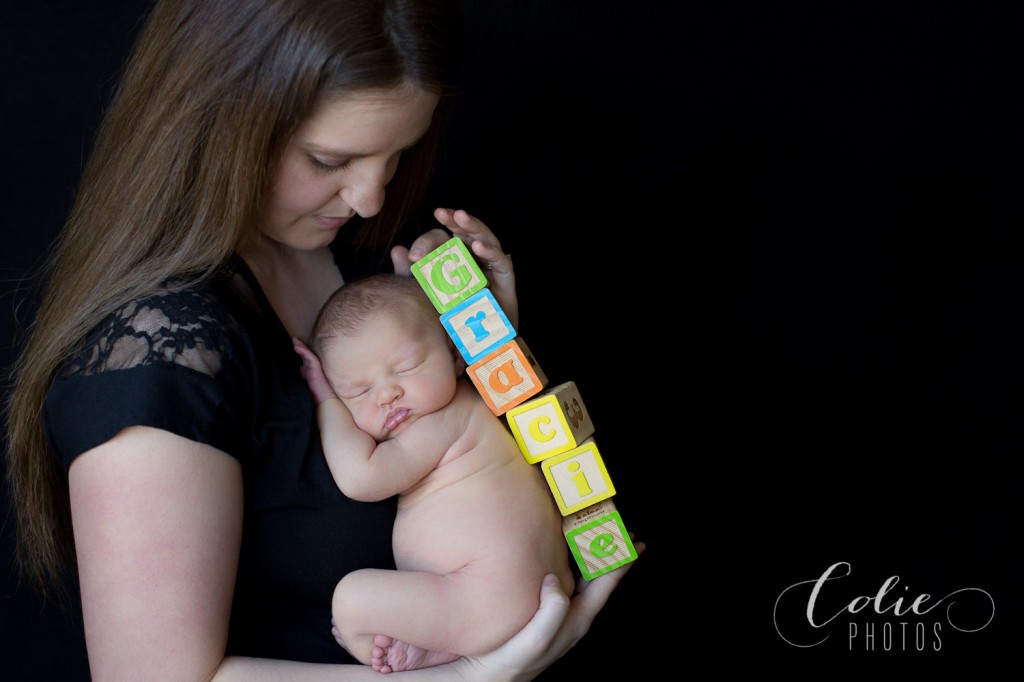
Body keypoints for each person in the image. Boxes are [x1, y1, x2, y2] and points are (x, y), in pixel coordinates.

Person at [3, 0, 641, 679]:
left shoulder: (375, 262)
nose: (370, 197)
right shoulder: (159, 355)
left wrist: (489, 351)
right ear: (218, 121)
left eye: (397, 155)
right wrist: (465, 679)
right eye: (329, 159)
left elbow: (493, 471)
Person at [292, 273, 576, 673]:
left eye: (405, 368)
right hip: (532, 585)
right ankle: (439, 647)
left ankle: (442, 654)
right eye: (357, 392)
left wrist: (327, 402)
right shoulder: (481, 400)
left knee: (350, 602)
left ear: (456, 354)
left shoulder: (442, 420)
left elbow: (361, 478)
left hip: (486, 596)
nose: (387, 394)